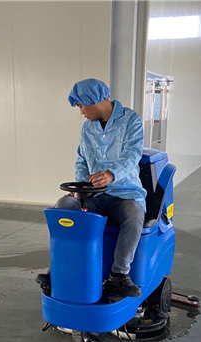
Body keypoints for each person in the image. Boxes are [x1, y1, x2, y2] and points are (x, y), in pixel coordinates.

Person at [55, 78, 147, 297]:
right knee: (64, 207)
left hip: (125, 193)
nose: (81, 112)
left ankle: (119, 275)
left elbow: (132, 154)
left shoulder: (130, 120)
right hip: (94, 195)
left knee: (134, 216)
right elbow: (81, 160)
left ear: (93, 100)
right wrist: (80, 185)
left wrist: (110, 175)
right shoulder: (88, 129)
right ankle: (63, 266)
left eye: (81, 105)